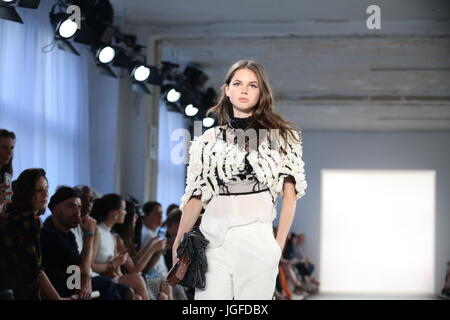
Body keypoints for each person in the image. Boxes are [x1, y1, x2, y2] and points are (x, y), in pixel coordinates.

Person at [174, 60, 307, 300]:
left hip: (257, 239)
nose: (244, 90)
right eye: (237, 83)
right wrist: (178, 241)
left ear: (261, 92)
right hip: (212, 241)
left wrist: (278, 246)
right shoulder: (206, 140)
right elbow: (195, 195)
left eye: (252, 85)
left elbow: (290, 195)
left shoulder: (283, 137)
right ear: (227, 90)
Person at [41, 186, 133, 300]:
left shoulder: (68, 234)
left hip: (76, 284)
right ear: (55, 210)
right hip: (66, 289)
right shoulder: (51, 234)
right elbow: (83, 268)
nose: (77, 213)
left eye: (79, 207)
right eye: (71, 206)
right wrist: (89, 235)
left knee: (126, 291)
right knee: (108, 286)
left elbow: (82, 268)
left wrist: (86, 280)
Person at [1, 169, 70, 299]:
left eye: (46, 188)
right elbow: (35, 270)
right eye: (39, 190)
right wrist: (57, 298)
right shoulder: (28, 220)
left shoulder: (15, 215)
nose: (46, 194)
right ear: (26, 193)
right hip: (20, 291)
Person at [90, 193, 149, 300]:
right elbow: (91, 265)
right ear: (114, 212)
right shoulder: (97, 231)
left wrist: (118, 263)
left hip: (112, 277)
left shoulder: (112, 237)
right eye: (123, 209)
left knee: (138, 297)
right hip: (100, 280)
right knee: (137, 279)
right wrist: (113, 263)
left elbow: (117, 270)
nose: (125, 213)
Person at [113, 200, 172, 300]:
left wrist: (151, 245)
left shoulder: (126, 238)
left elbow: (135, 259)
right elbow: (135, 269)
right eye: (134, 216)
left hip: (139, 277)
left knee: (166, 289)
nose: (136, 219)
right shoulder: (119, 238)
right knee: (165, 289)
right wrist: (153, 248)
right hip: (132, 278)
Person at [0, 129, 15, 300]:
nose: (9, 152)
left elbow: (7, 208)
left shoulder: (7, 176)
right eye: (4, 147)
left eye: (11, 148)